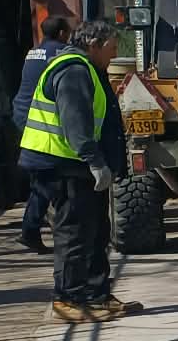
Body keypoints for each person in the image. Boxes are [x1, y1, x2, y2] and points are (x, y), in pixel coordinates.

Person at [17, 21, 139, 320]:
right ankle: (68, 298)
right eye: (111, 49)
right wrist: (95, 161)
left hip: (75, 165)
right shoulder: (74, 70)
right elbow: (76, 122)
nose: (113, 57)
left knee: (96, 231)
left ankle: (97, 294)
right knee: (74, 234)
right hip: (63, 166)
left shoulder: (88, 69)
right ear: (94, 45)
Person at [11, 15, 72, 253]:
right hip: (40, 119)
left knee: (42, 179)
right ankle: (30, 229)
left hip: (23, 116)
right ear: (61, 34)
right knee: (49, 179)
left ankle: (31, 231)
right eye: (68, 31)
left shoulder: (33, 52)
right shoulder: (61, 53)